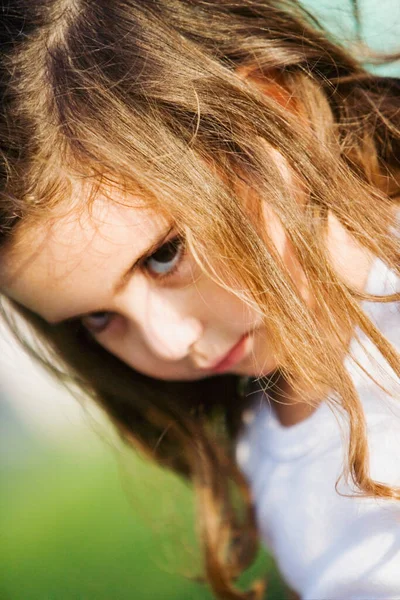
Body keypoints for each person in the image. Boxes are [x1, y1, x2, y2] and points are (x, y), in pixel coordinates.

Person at [0, 1, 399, 598]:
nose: (168, 340)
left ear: (269, 109)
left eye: (163, 256)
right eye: (98, 319)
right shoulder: (265, 433)